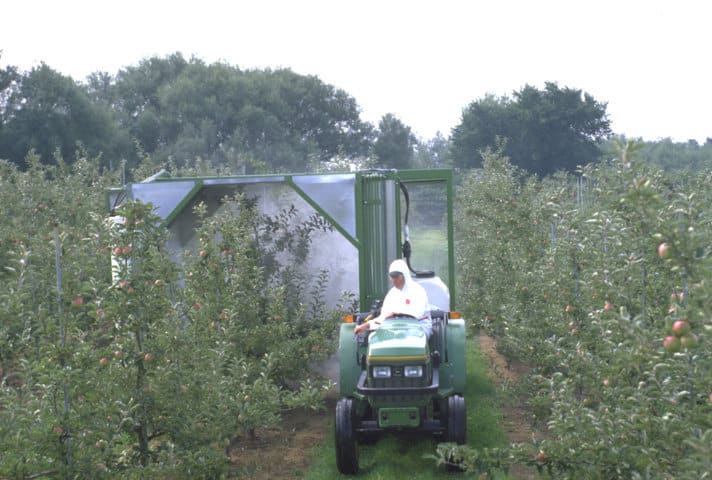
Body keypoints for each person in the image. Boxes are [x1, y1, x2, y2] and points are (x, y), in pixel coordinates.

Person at [354, 258, 432, 337]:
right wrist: (367, 325)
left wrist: (395, 314)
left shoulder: (417, 290)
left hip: (419, 327)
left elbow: (417, 314)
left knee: (410, 337)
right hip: (394, 328)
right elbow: (383, 318)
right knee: (375, 338)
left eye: (396, 276)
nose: (394, 280)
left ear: (404, 275)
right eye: (391, 276)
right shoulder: (391, 294)